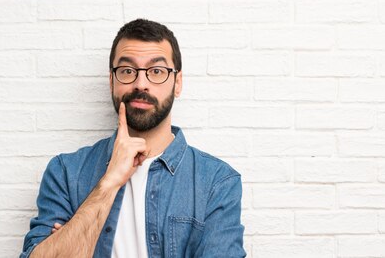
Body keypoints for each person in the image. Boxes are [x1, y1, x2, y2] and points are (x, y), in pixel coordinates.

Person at [20, 18, 246, 258]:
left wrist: (75, 234)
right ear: (112, 81)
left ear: (177, 83)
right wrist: (109, 182)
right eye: (127, 71)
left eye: (156, 71)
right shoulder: (66, 172)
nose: (141, 84)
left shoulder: (217, 182)